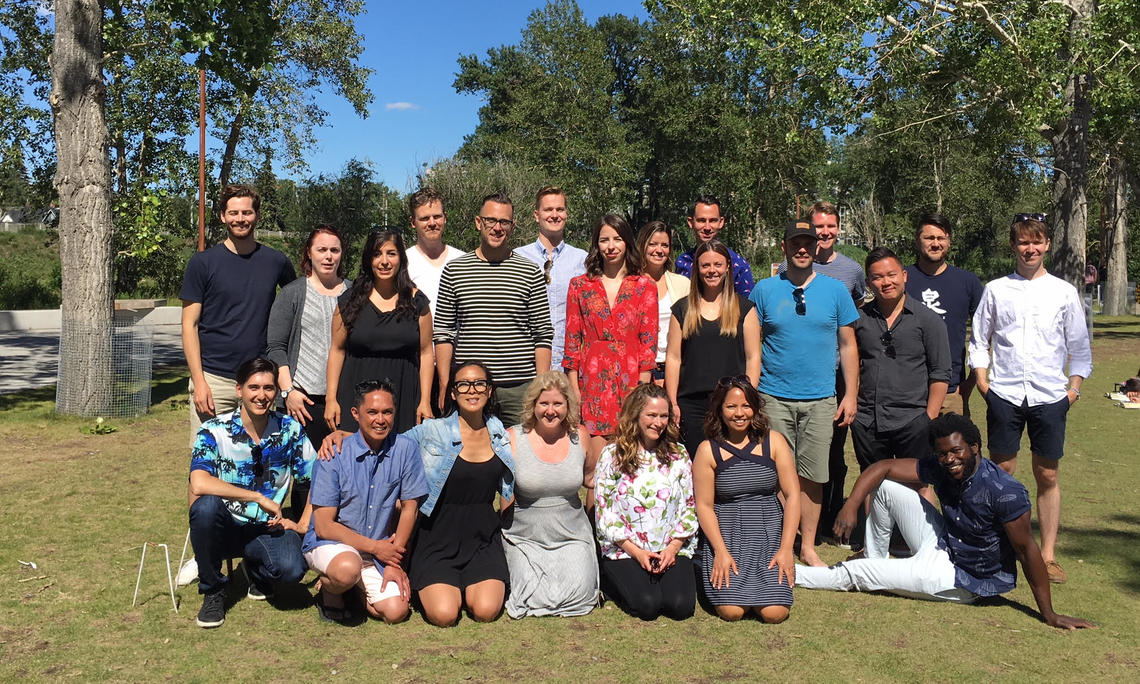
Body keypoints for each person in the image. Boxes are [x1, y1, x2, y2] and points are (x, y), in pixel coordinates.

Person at [796, 414, 1095, 631]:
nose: (950, 459)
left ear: (975, 448)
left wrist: (1050, 614)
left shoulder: (1005, 492)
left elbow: (1027, 551)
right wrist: (850, 506)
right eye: (943, 453)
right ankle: (877, 560)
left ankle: (787, 575)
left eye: (957, 451)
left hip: (963, 579)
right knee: (886, 486)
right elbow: (884, 466)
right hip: (943, 545)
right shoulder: (941, 465)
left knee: (855, 572)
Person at [968, 213, 1092, 584]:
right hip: (1004, 393)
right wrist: (983, 382)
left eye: (1036, 241)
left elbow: (1079, 348)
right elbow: (979, 340)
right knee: (1001, 473)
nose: (1030, 248)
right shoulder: (996, 289)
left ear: (1047, 245)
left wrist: (1072, 391)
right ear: (1013, 246)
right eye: (1023, 242)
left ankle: (1048, 555)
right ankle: (1000, 550)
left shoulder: (1064, 292)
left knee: (1047, 473)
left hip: (1051, 396)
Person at [749, 219, 859, 568]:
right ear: (783, 247)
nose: (802, 249)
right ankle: (782, 541)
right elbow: (753, 347)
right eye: (794, 243)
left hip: (821, 399)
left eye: (807, 243)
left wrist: (850, 394)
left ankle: (807, 546)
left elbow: (848, 346)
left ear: (816, 248)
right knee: (775, 474)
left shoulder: (836, 290)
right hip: (773, 397)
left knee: (813, 476)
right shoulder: (764, 290)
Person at [187, 357, 314, 629]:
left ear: (276, 392)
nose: (261, 395)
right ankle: (213, 591)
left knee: (292, 570)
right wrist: (257, 497)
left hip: (267, 527)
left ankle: (258, 571)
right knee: (205, 507)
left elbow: (318, 479)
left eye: (268, 388)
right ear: (239, 390)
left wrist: (303, 524)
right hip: (227, 525)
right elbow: (198, 483)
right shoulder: (214, 430)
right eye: (253, 387)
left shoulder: (290, 430)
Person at [302, 379, 428, 624]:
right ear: (355, 413)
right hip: (332, 544)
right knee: (347, 567)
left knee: (396, 611)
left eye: (387, 412)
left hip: (379, 549)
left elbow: (410, 509)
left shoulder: (406, 449)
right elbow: (325, 526)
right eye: (372, 412)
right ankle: (332, 589)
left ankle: (352, 589)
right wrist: (376, 548)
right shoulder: (333, 453)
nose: (380, 420)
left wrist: (392, 562)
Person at [180, 184, 295, 444]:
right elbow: (189, 325)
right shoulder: (202, 263)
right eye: (233, 213)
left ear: (257, 215)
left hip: (260, 381)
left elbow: (294, 312)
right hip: (214, 379)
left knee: (258, 458)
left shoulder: (276, 262)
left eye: (246, 213)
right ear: (222, 216)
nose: (240, 219)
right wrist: (199, 382)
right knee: (207, 464)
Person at [778, 201, 865, 540]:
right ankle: (788, 532)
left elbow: (851, 333)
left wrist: (851, 392)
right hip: (783, 387)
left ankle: (826, 524)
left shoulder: (848, 275)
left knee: (826, 460)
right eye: (819, 227)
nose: (824, 233)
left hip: (829, 384)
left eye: (829, 228)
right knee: (784, 464)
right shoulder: (774, 280)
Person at [404, 361, 515, 626]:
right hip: (437, 538)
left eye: (480, 383)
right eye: (463, 384)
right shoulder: (433, 430)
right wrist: (344, 436)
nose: (472, 390)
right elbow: (388, 444)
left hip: (482, 539)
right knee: (444, 615)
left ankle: (470, 584)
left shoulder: (500, 433)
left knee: (486, 611)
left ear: (489, 391)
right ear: (453, 392)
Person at [434, 192, 554, 426]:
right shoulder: (454, 271)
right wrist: (444, 383)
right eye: (491, 220)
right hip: (471, 388)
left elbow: (542, 334)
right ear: (479, 222)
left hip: (519, 389)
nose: (497, 228)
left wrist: (540, 387)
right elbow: (443, 332)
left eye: (504, 222)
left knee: (520, 458)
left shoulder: (530, 272)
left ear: (512, 226)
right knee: (470, 456)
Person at [692, 377, 800, 622]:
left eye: (746, 406)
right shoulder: (708, 450)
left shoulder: (774, 442)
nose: (739, 413)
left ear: (755, 408)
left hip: (768, 534)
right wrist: (720, 551)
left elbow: (793, 496)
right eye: (731, 407)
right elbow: (705, 506)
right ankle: (703, 563)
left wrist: (785, 550)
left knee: (775, 613)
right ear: (720, 409)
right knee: (732, 612)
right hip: (728, 537)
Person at [594, 383, 698, 621]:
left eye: (663, 416)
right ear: (636, 416)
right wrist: (637, 552)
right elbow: (605, 511)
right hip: (626, 549)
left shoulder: (679, 454)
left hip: (669, 546)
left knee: (680, 606)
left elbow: (688, 506)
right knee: (647, 606)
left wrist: (673, 548)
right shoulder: (612, 455)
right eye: (651, 415)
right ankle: (611, 583)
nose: (658, 422)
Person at [501, 371, 599, 618]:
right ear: (533, 404)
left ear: (568, 405)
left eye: (558, 403)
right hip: (525, 536)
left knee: (579, 592)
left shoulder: (581, 437)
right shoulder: (513, 437)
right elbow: (505, 492)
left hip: (571, 535)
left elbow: (591, 480)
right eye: (544, 403)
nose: (550, 411)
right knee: (528, 594)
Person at [563, 213, 657, 469]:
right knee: (596, 470)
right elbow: (572, 343)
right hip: (593, 386)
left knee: (631, 466)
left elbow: (648, 345)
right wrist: (575, 390)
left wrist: (642, 394)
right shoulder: (580, 286)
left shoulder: (644, 286)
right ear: (596, 244)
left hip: (631, 385)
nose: (611, 246)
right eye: (604, 240)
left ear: (627, 242)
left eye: (617, 239)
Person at [325, 229, 432, 435]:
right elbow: (337, 351)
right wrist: (331, 399)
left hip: (404, 395)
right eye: (377, 254)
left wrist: (425, 401)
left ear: (401, 257)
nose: (384, 261)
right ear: (368, 260)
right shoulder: (349, 301)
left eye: (391, 253)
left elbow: (427, 352)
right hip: (355, 396)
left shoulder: (417, 302)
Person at [851, 247, 950, 471]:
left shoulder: (928, 321)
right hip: (868, 420)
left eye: (891, 275)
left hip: (913, 420)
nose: (886, 282)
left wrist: (929, 418)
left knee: (918, 484)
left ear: (904, 276)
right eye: (877, 277)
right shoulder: (859, 320)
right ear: (868, 283)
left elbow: (941, 373)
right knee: (872, 484)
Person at [666, 240, 761, 458]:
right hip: (691, 406)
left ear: (728, 267)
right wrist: (673, 403)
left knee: (729, 468)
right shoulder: (682, 309)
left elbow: (753, 357)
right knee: (695, 469)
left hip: (731, 405)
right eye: (705, 265)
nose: (712, 271)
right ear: (697, 269)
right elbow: (673, 357)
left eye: (717, 265)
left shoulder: (744, 309)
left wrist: (747, 399)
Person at [265, 225, 351, 454]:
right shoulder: (293, 293)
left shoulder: (353, 293)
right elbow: (275, 347)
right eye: (322, 249)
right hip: (302, 403)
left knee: (341, 475)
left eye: (335, 250)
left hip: (342, 403)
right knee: (304, 479)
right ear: (309, 253)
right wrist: (287, 392)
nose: (328, 256)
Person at [904, 212, 984, 416]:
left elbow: (985, 336)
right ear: (917, 240)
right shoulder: (901, 280)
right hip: (907, 392)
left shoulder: (968, 282)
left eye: (941, 238)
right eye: (929, 238)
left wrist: (971, 381)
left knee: (953, 447)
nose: (935, 243)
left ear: (949, 242)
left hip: (951, 392)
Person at [516, 186, 588, 369]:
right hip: (526, 363)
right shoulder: (517, 258)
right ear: (536, 215)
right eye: (548, 209)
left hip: (570, 365)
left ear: (566, 214)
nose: (554, 215)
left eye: (560, 209)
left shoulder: (583, 260)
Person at [637, 221, 690, 384]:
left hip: (674, 370)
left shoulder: (683, 285)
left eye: (664, 245)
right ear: (642, 246)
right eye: (652, 244)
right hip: (639, 371)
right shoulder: (628, 284)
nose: (659, 250)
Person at [674, 194, 755, 298]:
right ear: (691, 222)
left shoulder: (738, 264)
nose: (707, 227)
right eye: (701, 220)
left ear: (721, 222)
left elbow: (747, 308)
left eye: (712, 220)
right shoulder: (682, 262)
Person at [404, 187, 465, 312]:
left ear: (445, 217)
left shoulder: (463, 261)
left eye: (437, 216)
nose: (432, 223)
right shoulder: (403, 263)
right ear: (413, 222)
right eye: (424, 218)